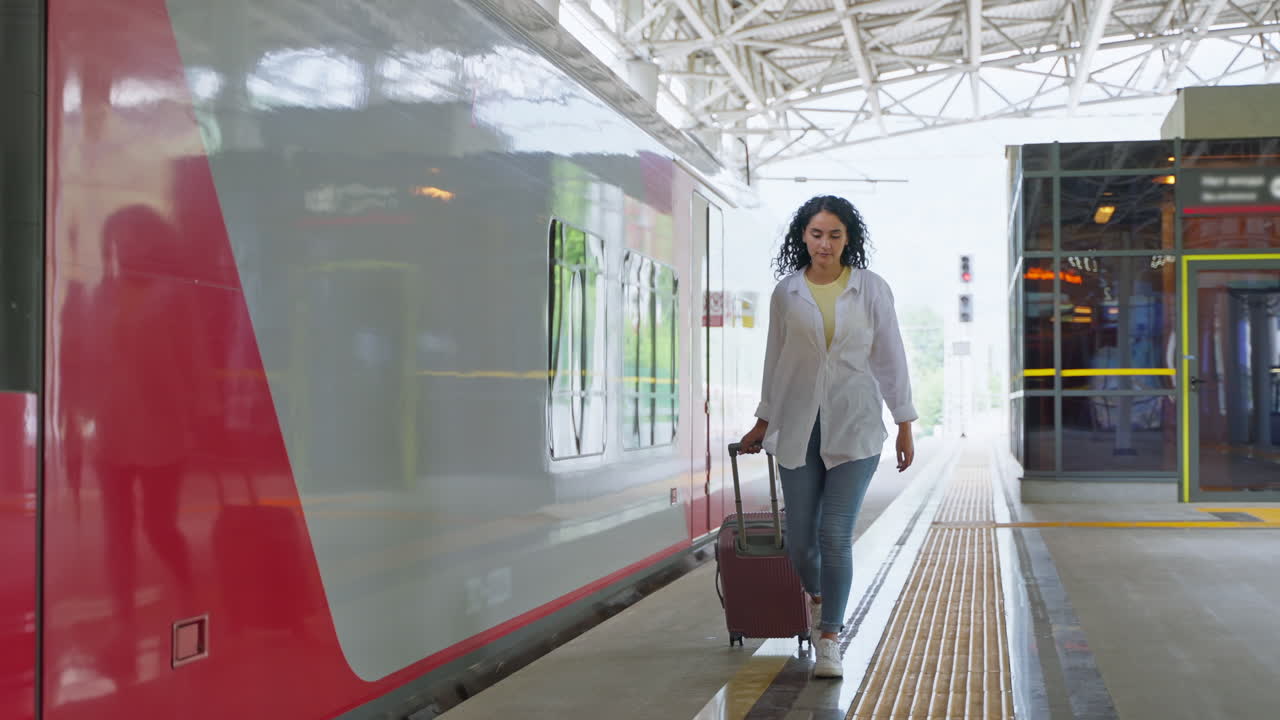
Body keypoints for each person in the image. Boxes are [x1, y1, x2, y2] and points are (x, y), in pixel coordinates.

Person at [739, 195, 916, 679]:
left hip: (855, 426)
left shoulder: (871, 289)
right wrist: (762, 420)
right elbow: (776, 362)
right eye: (817, 234)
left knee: (834, 534)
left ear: (848, 240)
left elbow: (891, 357)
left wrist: (904, 423)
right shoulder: (787, 293)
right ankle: (819, 598)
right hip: (797, 425)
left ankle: (831, 636)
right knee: (800, 542)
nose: (825, 243)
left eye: (835, 235)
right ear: (803, 236)